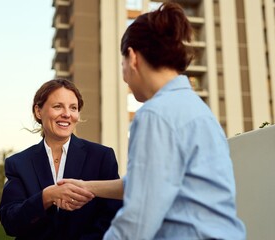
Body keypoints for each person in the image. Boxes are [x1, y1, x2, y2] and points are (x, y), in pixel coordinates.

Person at [61, 2, 246, 239]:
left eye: (122, 65)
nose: (125, 77)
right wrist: (87, 187)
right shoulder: (197, 109)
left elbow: (138, 219)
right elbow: (151, 181)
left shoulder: (156, 114)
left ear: (133, 57)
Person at [0, 79, 123, 240]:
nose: (67, 114)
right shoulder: (18, 163)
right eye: (58, 106)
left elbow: (113, 217)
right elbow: (10, 222)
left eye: (73, 108)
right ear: (38, 111)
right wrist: (46, 197)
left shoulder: (101, 157)